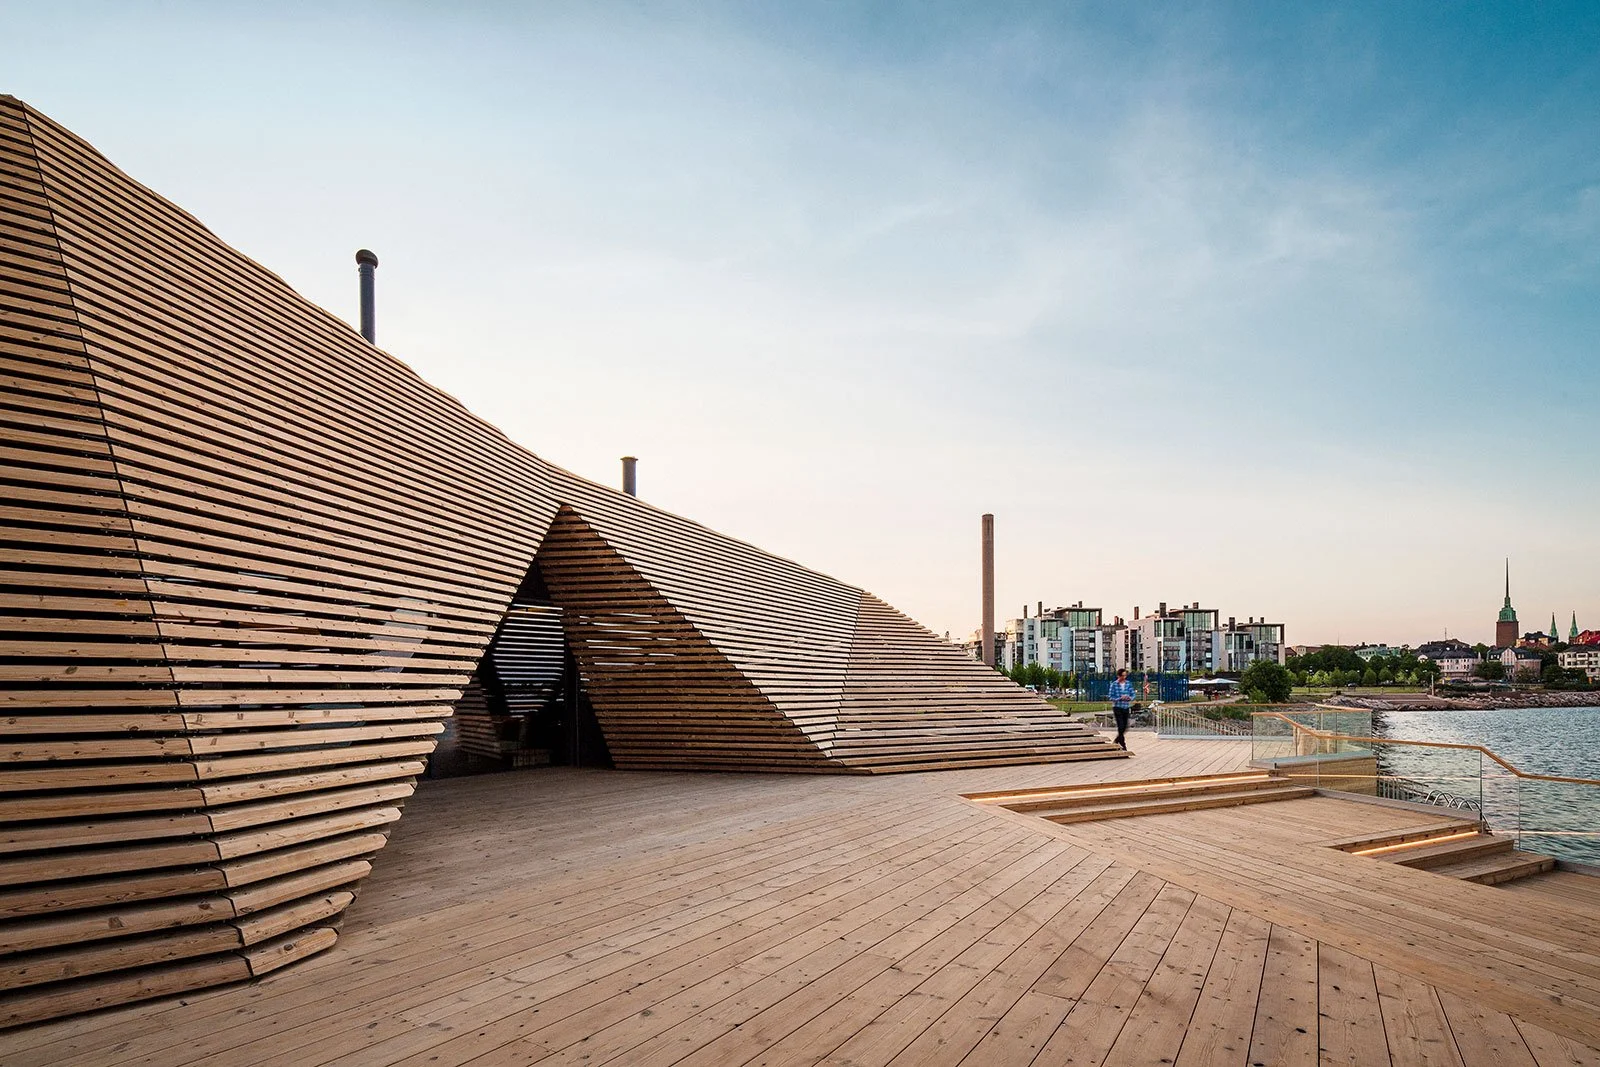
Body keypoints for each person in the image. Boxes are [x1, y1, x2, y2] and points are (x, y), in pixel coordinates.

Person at [1109, 668, 1135, 750]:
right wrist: (1119, 698)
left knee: (1125, 726)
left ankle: (1117, 740)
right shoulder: (1114, 684)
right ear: (1118, 676)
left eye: (1125, 675)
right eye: (1122, 676)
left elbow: (1133, 694)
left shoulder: (1128, 684)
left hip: (1125, 707)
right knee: (1120, 726)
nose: (1124, 677)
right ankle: (1123, 744)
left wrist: (1129, 698)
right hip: (1117, 707)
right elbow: (1110, 697)